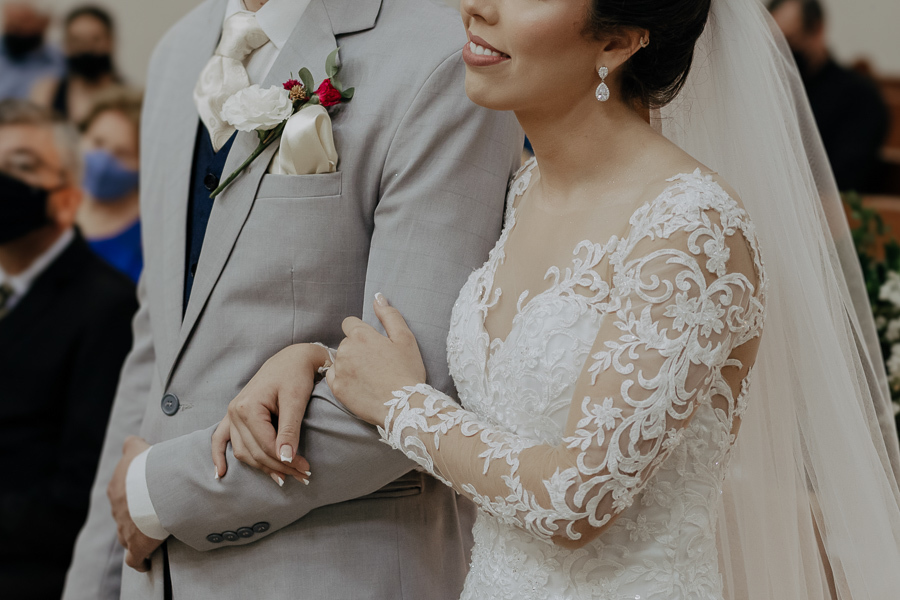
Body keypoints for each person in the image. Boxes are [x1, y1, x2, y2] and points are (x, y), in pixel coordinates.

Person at [217, 0, 900, 598]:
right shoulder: (525, 189)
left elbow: (579, 499)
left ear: (618, 41)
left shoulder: (690, 229)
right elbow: (478, 402)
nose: (476, 6)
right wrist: (316, 360)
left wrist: (397, 405)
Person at [62, 0, 522, 599]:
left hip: (332, 570)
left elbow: (417, 386)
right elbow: (157, 346)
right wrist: (94, 581)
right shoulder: (177, 53)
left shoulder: (442, 58)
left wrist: (157, 493)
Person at [0, 99, 137, 600]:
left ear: (67, 197)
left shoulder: (107, 306)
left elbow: (81, 491)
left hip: (29, 569)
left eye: (20, 167)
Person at [769, 0, 890, 192]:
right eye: (774, 45)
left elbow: (843, 179)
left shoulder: (858, 96)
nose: (782, 54)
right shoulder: (771, 90)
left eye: (789, 41)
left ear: (817, 30)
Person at [78, 87, 143, 282]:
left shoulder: (147, 237)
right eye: (97, 143)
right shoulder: (52, 202)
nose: (104, 161)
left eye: (122, 153)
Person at [31, 5, 123, 124]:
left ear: (110, 41)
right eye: (76, 41)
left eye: (95, 40)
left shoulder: (127, 98)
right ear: (65, 45)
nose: (86, 48)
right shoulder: (47, 92)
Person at [0, 1, 65, 100]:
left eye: (21, 21)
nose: (14, 29)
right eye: (9, 22)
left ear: (44, 22)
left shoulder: (59, 62)